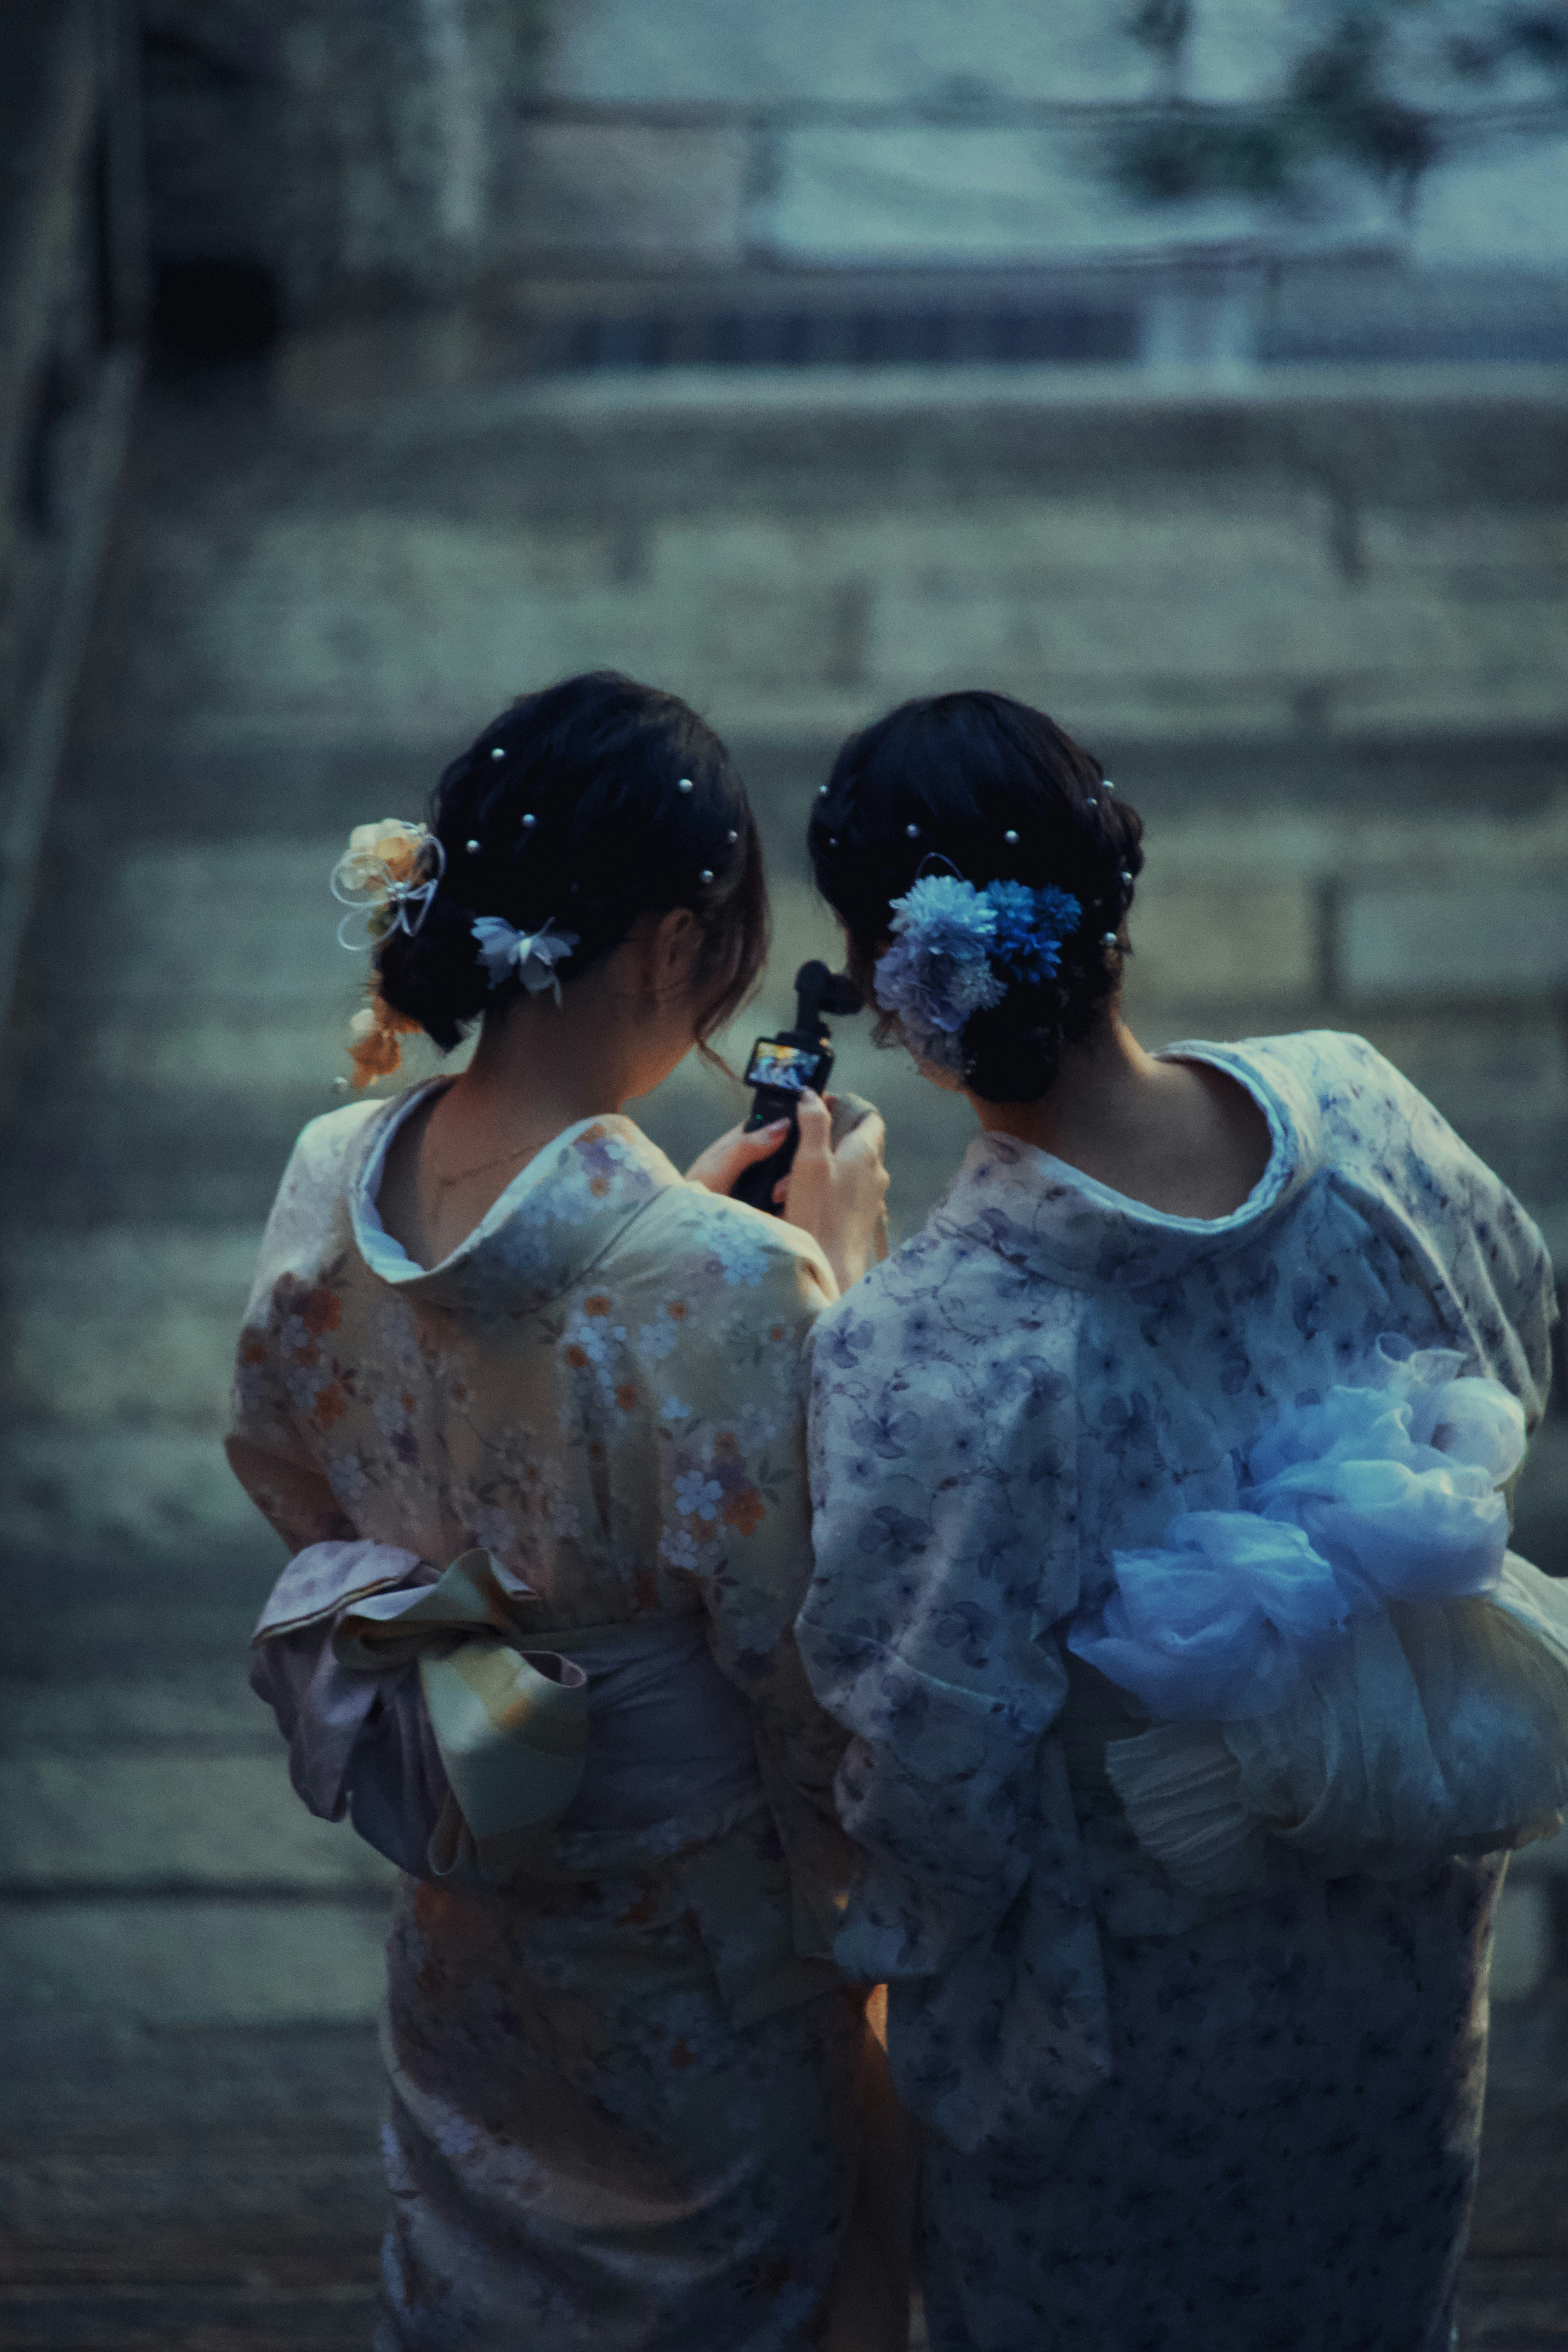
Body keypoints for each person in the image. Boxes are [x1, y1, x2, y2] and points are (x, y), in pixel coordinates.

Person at [796, 688, 1568, 2352]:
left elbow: (928, 1783)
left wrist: (826, 1284)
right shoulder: (1357, 1118)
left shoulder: (932, 1342)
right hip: (1396, 1950)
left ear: (897, 992)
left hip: (1128, 2041)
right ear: (1113, 892)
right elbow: (1519, 1336)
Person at [227, 672, 896, 2351]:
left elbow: (285, 1467)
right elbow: (823, 1657)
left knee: (479, 2274)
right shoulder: (730, 1283)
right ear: (675, 947)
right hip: (696, 1958)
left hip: (473, 1915)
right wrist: (838, 1285)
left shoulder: (331, 1173)